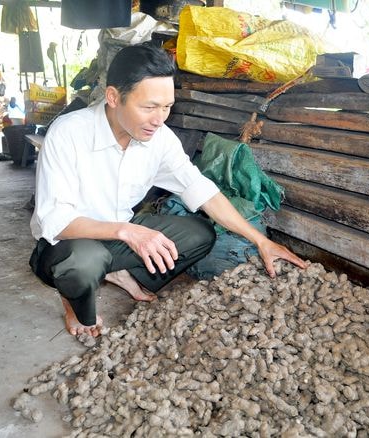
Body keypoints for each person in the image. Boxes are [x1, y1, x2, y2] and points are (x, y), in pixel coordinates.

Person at [29, 43, 306, 337]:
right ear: (113, 97)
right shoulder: (69, 133)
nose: (159, 119)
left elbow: (201, 189)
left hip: (122, 232)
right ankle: (75, 302)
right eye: (148, 107)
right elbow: (54, 220)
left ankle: (120, 272)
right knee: (81, 265)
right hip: (69, 242)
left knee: (200, 234)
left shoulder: (160, 138)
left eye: (167, 107)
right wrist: (128, 232)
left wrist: (260, 241)